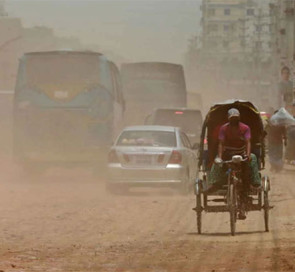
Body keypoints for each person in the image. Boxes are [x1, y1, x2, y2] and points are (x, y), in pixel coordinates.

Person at [213, 108, 261, 219]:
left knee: (248, 169)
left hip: (241, 153)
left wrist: (248, 155)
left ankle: (249, 189)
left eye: (236, 119)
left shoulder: (245, 128)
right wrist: (220, 157)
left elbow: (248, 142)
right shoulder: (224, 128)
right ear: (228, 119)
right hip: (228, 153)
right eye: (232, 119)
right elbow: (221, 143)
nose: (234, 121)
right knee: (217, 162)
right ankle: (215, 182)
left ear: (238, 119)